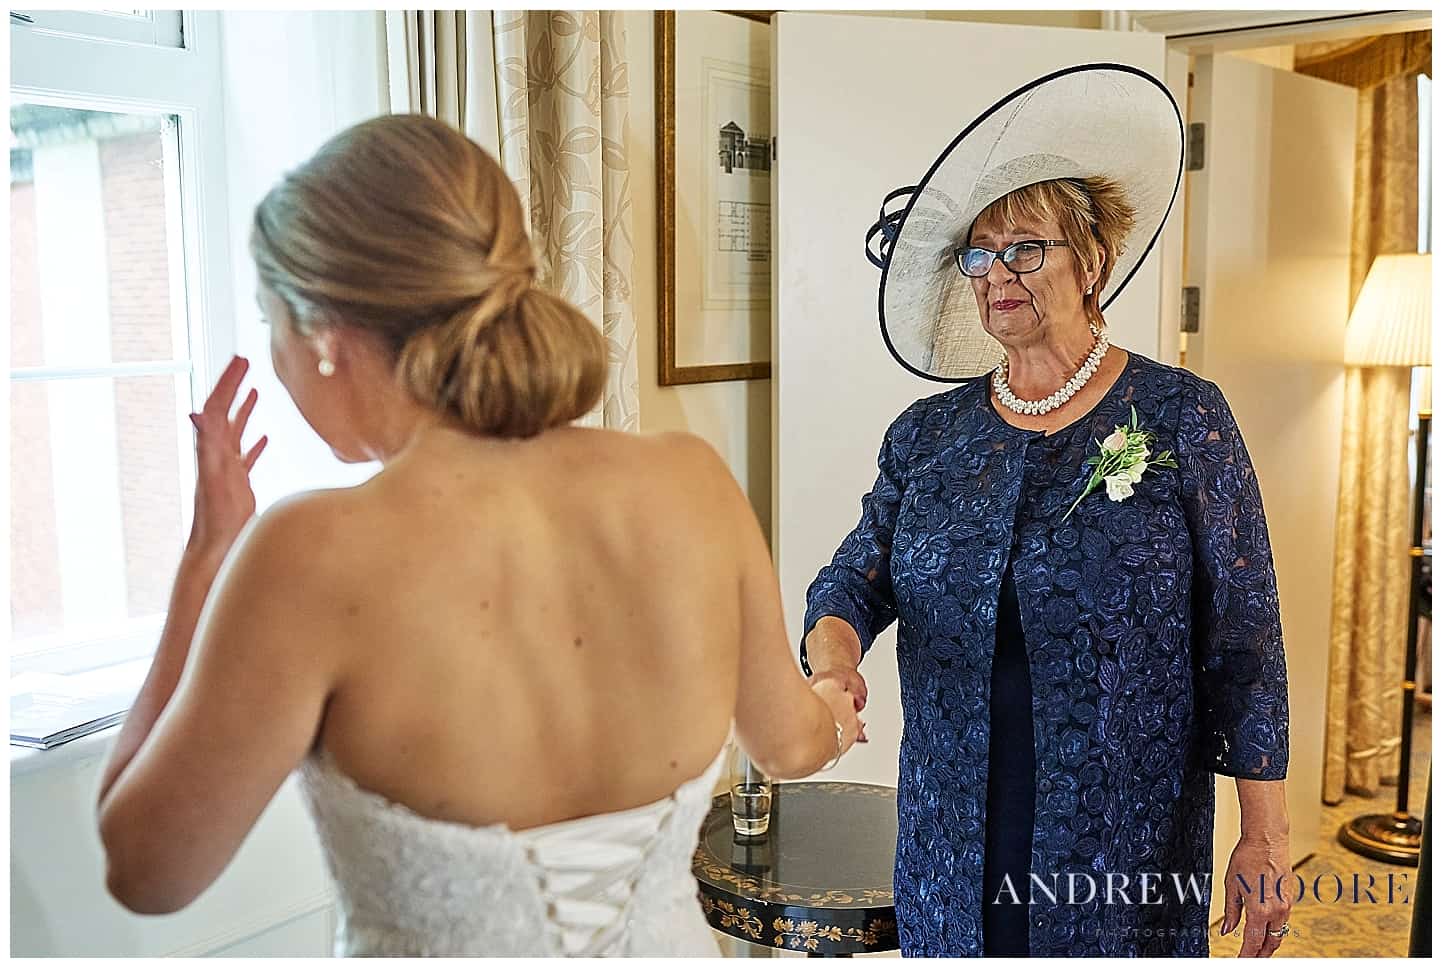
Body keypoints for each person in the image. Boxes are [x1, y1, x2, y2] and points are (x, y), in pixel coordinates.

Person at [95, 113, 861, 956]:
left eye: (269, 319)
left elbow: (145, 871)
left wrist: (207, 559)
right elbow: (791, 743)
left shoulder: (311, 552)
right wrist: (831, 706)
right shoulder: (692, 481)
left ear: (321, 334)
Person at [804, 65, 1292, 957]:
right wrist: (833, 670)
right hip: (954, 823)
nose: (995, 273)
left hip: (1122, 827)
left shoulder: (1182, 415)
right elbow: (850, 581)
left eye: (1024, 246)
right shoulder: (928, 433)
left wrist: (1264, 836)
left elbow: (1245, 641)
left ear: (1093, 259)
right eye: (979, 252)